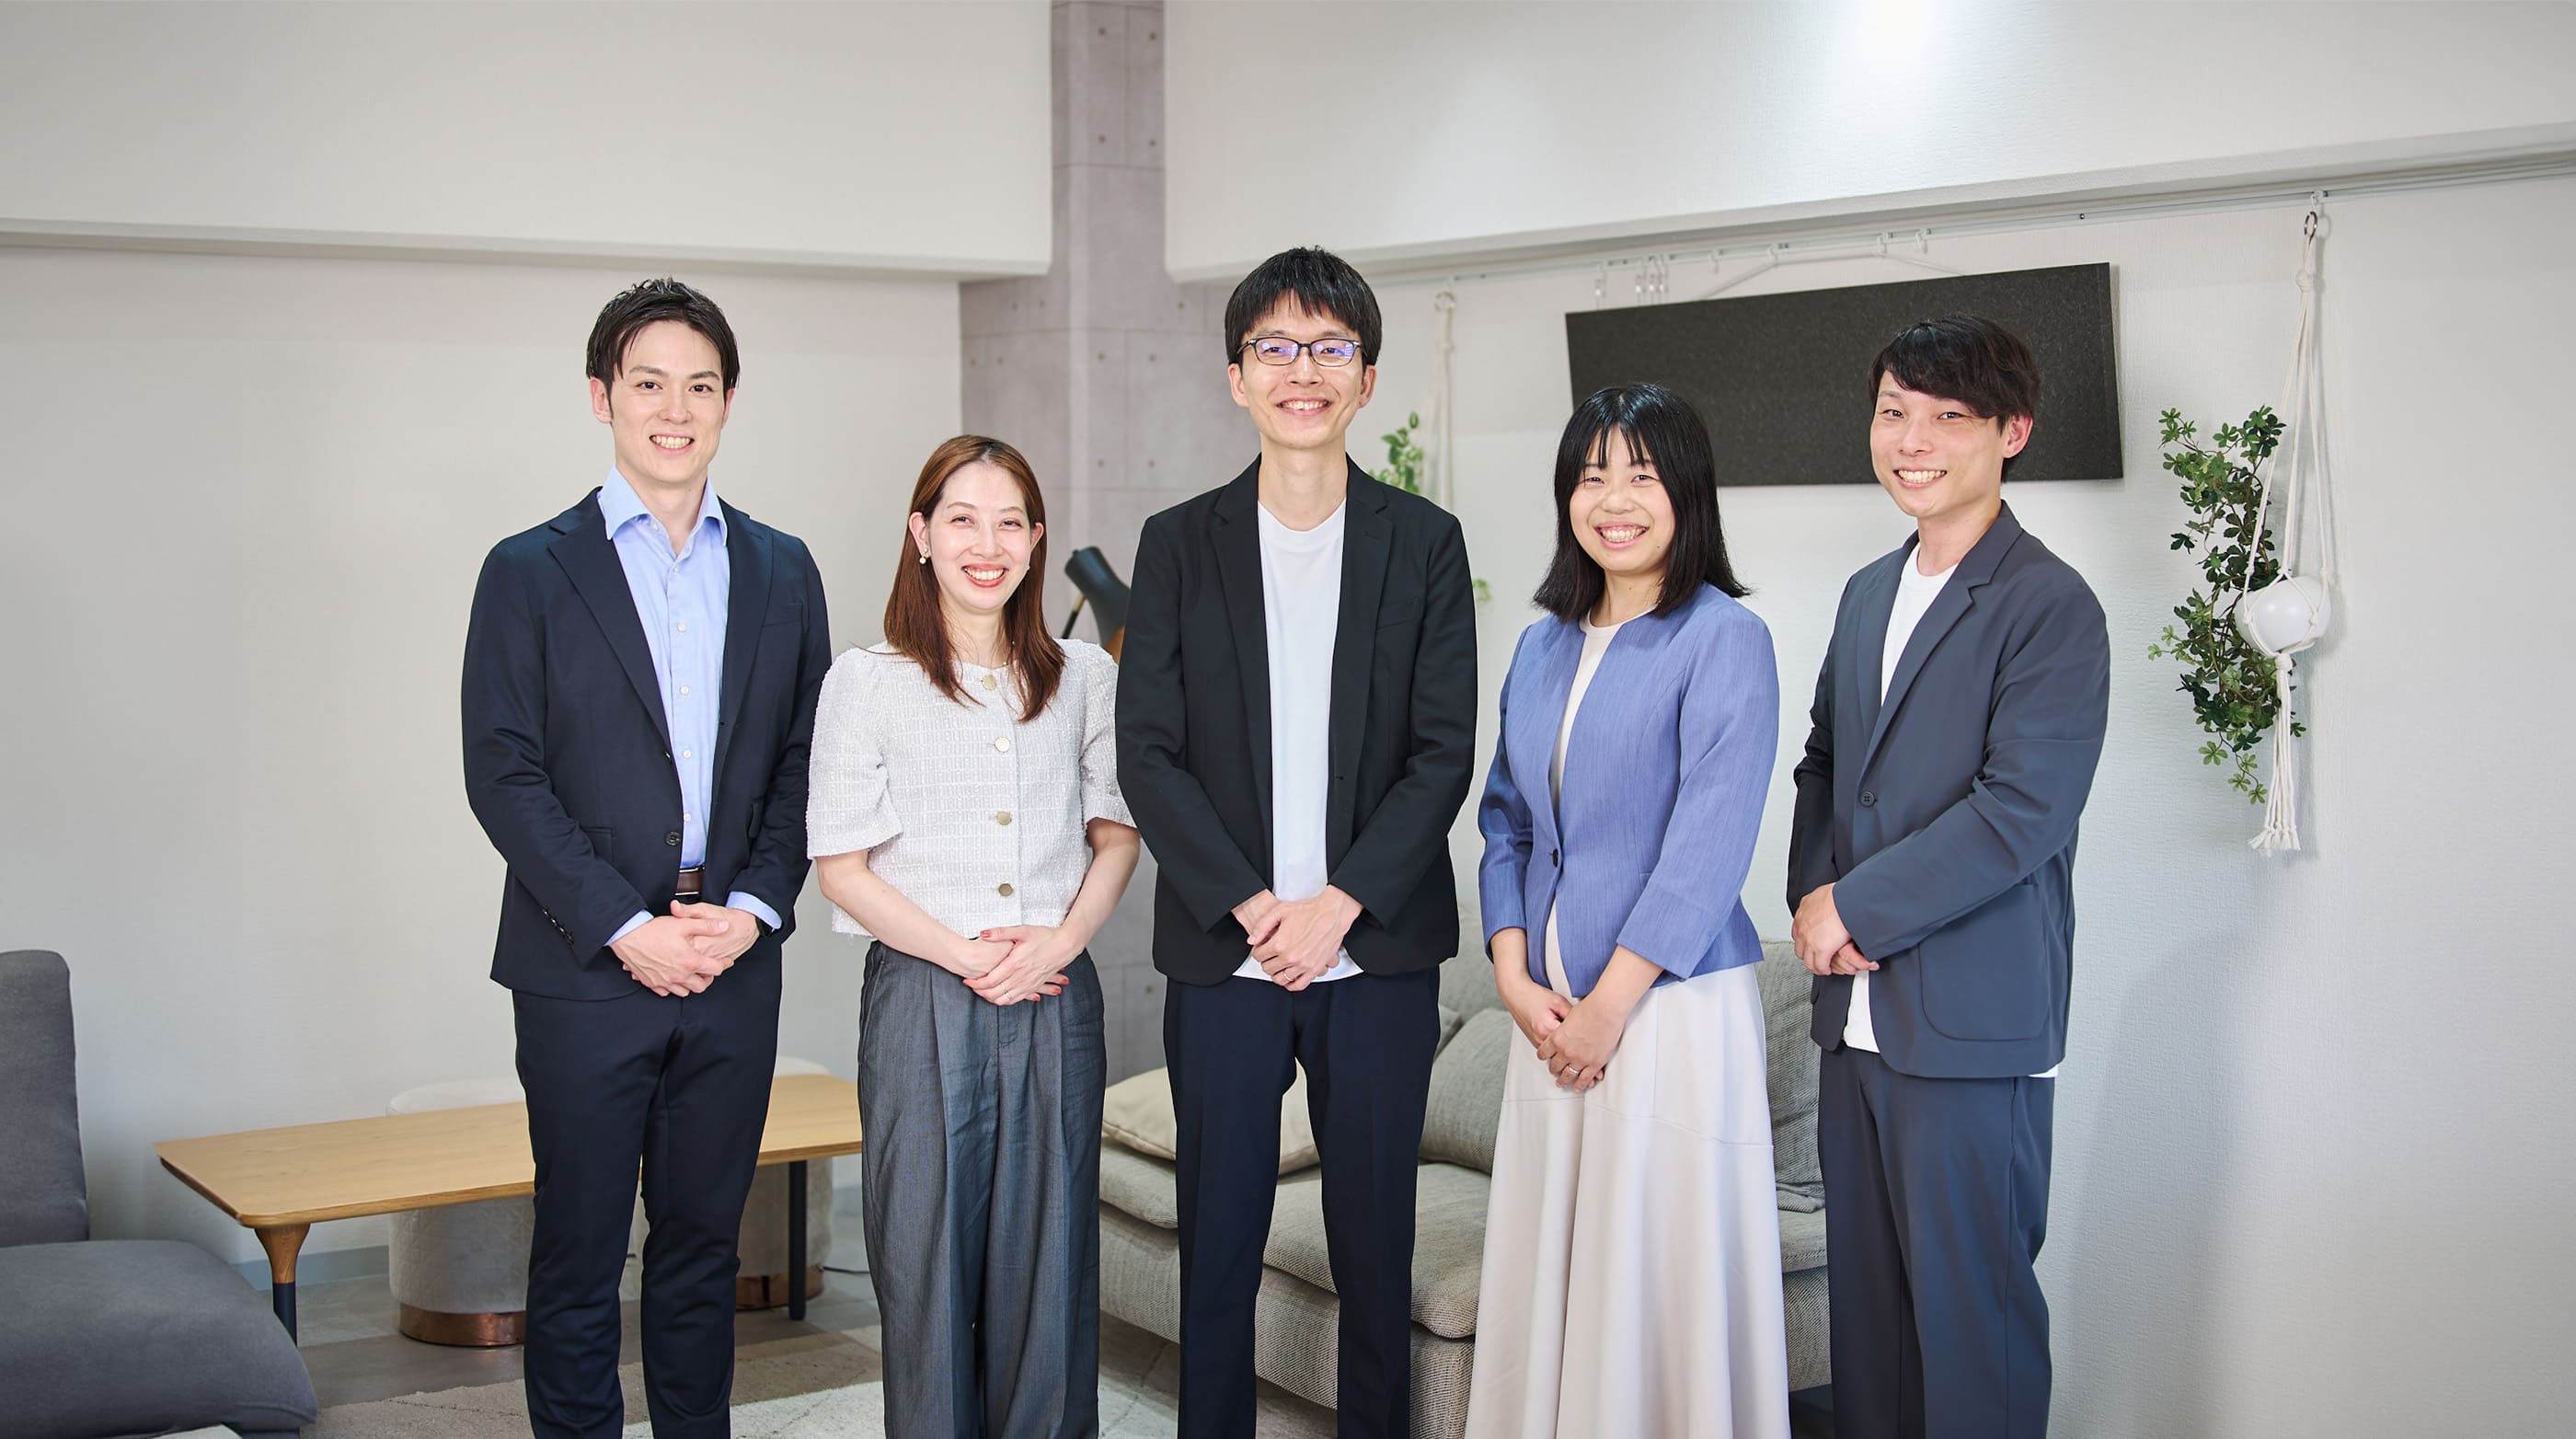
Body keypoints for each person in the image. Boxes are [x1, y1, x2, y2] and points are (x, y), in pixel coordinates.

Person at [1116, 246, 1477, 1439]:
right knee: (1218, 1247)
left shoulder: (1423, 542)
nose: (1302, 370)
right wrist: (1256, 906)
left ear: (1366, 378)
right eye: (1276, 347)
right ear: (1237, 377)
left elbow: (1441, 752)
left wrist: (1337, 906)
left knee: (1375, 1251)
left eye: (1329, 348)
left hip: (1376, 957)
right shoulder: (1179, 543)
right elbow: (1148, 752)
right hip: (1229, 953)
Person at [461, 277, 832, 1438]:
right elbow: (503, 774)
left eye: (700, 386)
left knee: (702, 1253)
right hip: (583, 969)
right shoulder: (527, 570)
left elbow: (807, 762)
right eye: (650, 384)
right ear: (602, 396)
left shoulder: (783, 568)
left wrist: (754, 908)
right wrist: (627, 928)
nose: (676, 410)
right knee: (577, 1255)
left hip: (731, 962)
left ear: (727, 402)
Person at [1788, 314, 2110, 1438]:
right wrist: (1813, 902)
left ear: (2011, 431)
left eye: (1947, 417)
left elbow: (2023, 812)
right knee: (1869, 1332)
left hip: (1973, 1027)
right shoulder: (1867, 591)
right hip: (1853, 1018)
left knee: (1975, 1332)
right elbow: (1825, 763)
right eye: (1894, 413)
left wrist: (1856, 905)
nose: (1911, 440)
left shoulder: (2049, 603)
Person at [1465, 384, 1789, 1439]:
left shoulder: (1724, 637)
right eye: (1592, 475)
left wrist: (1606, 1009)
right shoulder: (1541, 646)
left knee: (1651, 1275)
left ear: (1686, 492)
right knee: (1555, 1272)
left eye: (1642, 476)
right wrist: (1512, 976)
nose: (1614, 500)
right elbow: (1505, 819)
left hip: (1665, 1013)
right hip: (1547, 1018)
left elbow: (1709, 843)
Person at [807, 435, 1139, 1439]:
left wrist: (1060, 943)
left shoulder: (1085, 675)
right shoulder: (866, 681)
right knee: (925, 1258)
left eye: (1008, 523)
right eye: (962, 520)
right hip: (922, 998)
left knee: (1052, 1261)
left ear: (1036, 540)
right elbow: (841, 866)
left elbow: (1117, 836)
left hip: (1055, 993)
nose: (985, 545)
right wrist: (968, 955)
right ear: (921, 534)